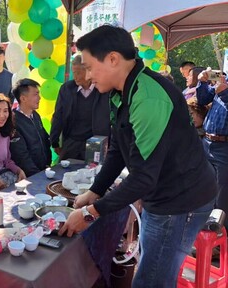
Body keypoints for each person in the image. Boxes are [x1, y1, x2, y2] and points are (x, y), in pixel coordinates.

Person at [59, 25, 217, 287]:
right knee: (151, 267)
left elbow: (144, 178)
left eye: (89, 66)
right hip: (163, 196)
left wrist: (90, 213)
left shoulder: (148, 97)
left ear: (112, 59)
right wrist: (94, 191)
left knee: (150, 280)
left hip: (181, 200)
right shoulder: (120, 92)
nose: (86, 75)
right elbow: (119, 150)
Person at [50, 55, 110, 161]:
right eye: (74, 73)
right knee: (64, 172)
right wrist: (54, 141)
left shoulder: (103, 89)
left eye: (78, 73)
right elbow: (58, 115)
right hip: (72, 141)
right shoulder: (67, 89)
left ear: (88, 71)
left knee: (93, 174)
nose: (75, 76)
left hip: (96, 142)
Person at [197, 68, 228, 230]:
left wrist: (223, 93)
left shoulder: (224, 87)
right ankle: (200, 229)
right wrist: (202, 81)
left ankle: (219, 232)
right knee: (203, 186)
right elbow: (202, 99)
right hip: (207, 142)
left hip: (224, 147)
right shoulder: (223, 79)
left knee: (222, 193)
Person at [10, 78, 51, 177]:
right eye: (35, 94)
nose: (40, 98)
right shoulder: (14, 121)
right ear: (23, 98)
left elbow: (44, 139)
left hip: (43, 171)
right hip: (30, 176)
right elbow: (21, 155)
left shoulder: (35, 115)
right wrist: (36, 175)